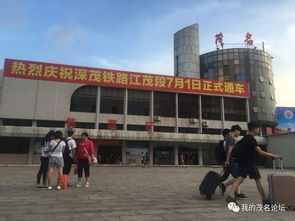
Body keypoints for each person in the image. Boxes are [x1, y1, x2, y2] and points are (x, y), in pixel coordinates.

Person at [226, 122, 281, 205]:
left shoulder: (244, 139)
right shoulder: (251, 139)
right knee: (258, 180)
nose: (258, 130)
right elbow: (260, 152)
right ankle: (265, 200)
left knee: (239, 178)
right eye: (258, 128)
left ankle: (230, 196)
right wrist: (273, 155)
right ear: (255, 129)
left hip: (242, 162)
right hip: (250, 163)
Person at [220, 125, 247, 198]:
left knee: (237, 176)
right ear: (236, 130)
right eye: (239, 132)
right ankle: (224, 185)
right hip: (232, 161)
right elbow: (229, 150)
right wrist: (227, 160)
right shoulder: (231, 139)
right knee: (238, 177)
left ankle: (237, 193)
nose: (239, 134)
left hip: (232, 161)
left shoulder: (228, 139)